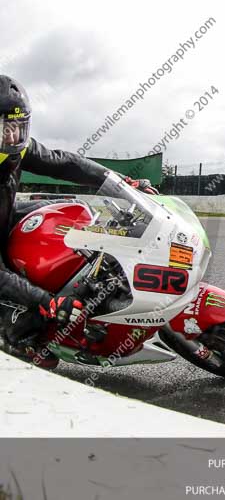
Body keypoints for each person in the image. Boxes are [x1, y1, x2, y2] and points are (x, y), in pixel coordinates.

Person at [0, 75, 153, 368]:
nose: (13, 138)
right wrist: (46, 301)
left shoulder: (15, 151)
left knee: (73, 212)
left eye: (19, 128)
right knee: (32, 326)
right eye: (6, 129)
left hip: (5, 214)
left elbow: (64, 162)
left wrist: (120, 182)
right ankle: (12, 341)